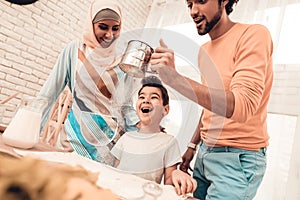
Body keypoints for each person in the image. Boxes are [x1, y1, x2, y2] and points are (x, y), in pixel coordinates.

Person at [149, 0, 273, 199]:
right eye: (189, 5)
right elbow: (211, 106)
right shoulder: (205, 51)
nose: (193, 11)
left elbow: (242, 105)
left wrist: (175, 78)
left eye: (201, 1)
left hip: (238, 160)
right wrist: (192, 145)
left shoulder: (254, 35)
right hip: (205, 152)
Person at [37, 0, 138, 165]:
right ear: (91, 25)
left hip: (108, 147)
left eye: (116, 28)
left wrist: (140, 139)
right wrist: (29, 130)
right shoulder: (75, 51)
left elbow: (126, 106)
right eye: (103, 27)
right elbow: (48, 95)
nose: (110, 35)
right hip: (73, 139)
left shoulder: (123, 60)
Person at [111, 76, 197, 196]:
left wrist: (176, 174)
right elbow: (113, 172)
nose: (146, 100)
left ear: (165, 110)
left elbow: (168, 184)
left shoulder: (168, 142)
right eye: (141, 97)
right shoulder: (126, 137)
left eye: (154, 97)